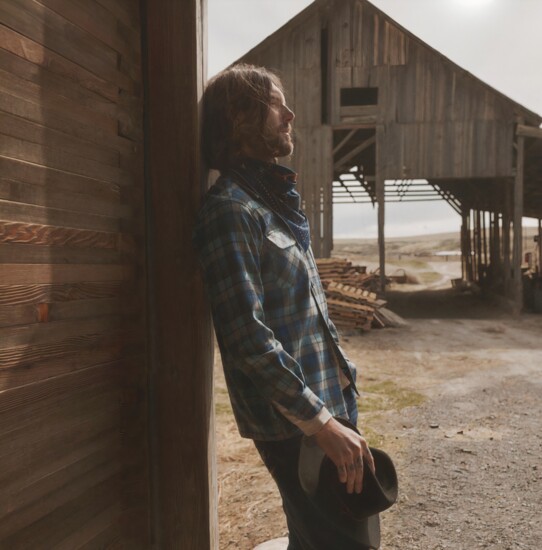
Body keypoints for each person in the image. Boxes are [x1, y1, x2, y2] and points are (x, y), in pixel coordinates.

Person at [193, 63, 377, 549]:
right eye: (278, 103)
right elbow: (247, 340)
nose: (291, 113)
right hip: (297, 424)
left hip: (328, 408)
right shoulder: (229, 211)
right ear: (239, 117)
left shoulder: (272, 203)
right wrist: (320, 424)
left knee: (335, 535)